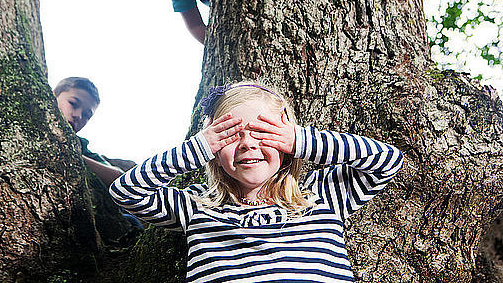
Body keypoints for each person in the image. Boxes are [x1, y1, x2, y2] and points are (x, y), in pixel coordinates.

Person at [110, 81, 404, 282]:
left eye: (263, 132)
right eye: (231, 134)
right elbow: (126, 190)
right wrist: (197, 146)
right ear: (212, 147)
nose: (247, 144)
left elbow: (387, 160)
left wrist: (300, 139)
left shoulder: (321, 195)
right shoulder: (197, 206)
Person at [53, 77, 127, 185]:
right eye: (73, 103)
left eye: (87, 115)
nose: (78, 115)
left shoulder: (79, 145)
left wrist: (73, 155)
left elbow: (120, 177)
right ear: (52, 96)